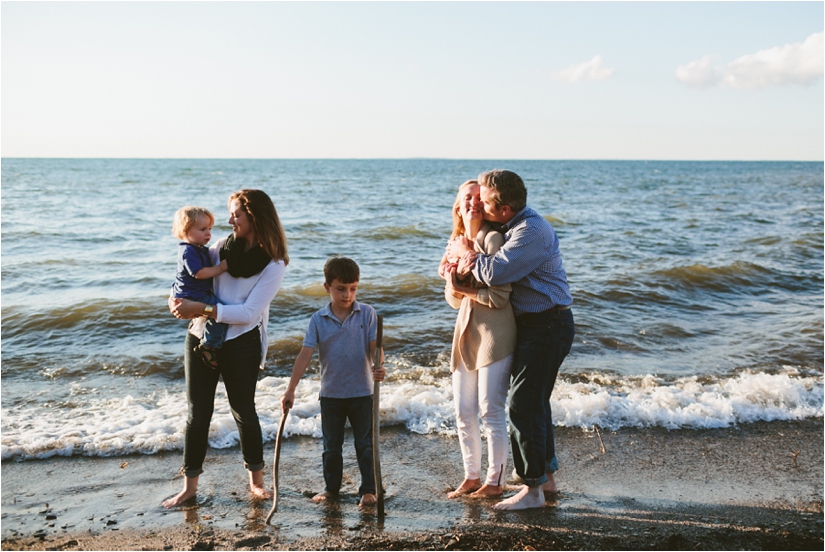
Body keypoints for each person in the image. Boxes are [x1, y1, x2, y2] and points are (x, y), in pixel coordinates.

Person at [446, 169, 575, 511]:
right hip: (535, 325)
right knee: (535, 403)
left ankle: (531, 490)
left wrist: (464, 251)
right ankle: (545, 480)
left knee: (521, 405)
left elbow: (494, 273)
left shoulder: (530, 231)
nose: (480, 206)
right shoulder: (508, 226)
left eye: (485, 201)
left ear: (504, 209)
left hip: (548, 324)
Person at [162, 189, 289, 509]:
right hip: (201, 338)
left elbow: (248, 313)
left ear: (255, 217)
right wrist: (175, 302)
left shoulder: (274, 264)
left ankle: (257, 483)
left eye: (236, 214)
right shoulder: (219, 248)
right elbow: (187, 278)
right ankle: (189, 488)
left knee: (244, 411)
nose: (229, 219)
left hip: (242, 342)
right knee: (197, 414)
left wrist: (201, 309)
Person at [280, 256, 386, 509]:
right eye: (341, 289)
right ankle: (331, 490)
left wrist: (379, 365)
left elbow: (376, 348)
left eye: (353, 288)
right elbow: (305, 354)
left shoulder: (367, 313)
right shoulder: (318, 319)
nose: (347, 295)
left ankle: (369, 490)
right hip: (331, 395)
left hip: (362, 393)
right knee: (331, 447)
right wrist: (290, 389)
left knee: (365, 445)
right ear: (327, 287)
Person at [438, 180, 516, 499]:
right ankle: (471, 477)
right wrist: (450, 276)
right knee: (463, 410)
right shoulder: (456, 241)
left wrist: (464, 287)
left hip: (495, 332)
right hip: (466, 331)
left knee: (490, 409)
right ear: (458, 206)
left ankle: (494, 482)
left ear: (484, 205)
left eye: (476, 197)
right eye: (465, 198)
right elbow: (453, 301)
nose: (472, 202)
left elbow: (499, 297)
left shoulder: (493, 239)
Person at [171, 206, 230, 369]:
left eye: (210, 229)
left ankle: (208, 341)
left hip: (194, 292)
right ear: (185, 231)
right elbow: (198, 273)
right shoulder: (188, 251)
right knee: (220, 311)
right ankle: (208, 345)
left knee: (214, 313)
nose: (208, 233)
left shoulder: (199, 249)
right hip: (193, 294)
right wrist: (221, 268)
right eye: (202, 229)